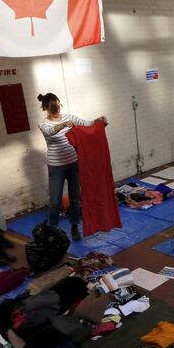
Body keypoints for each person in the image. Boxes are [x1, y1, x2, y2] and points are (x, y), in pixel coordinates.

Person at [37, 93, 107, 241]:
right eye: (53, 107)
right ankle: (53, 229)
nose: (57, 110)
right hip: (56, 166)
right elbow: (50, 131)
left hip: (73, 163)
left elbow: (86, 124)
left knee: (75, 198)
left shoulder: (69, 117)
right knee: (55, 200)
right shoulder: (43, 123)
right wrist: (63, 124)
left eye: (58, 106)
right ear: (45, 108)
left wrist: (98, 120)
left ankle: (75, 227)